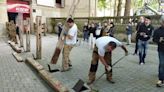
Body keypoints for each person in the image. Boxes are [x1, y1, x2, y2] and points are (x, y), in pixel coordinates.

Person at [153, 15, 164, 87]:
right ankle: (161, 79)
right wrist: (159, 40)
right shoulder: (157, 30)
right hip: (161, 50)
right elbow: (154, 39)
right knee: (162, 64)